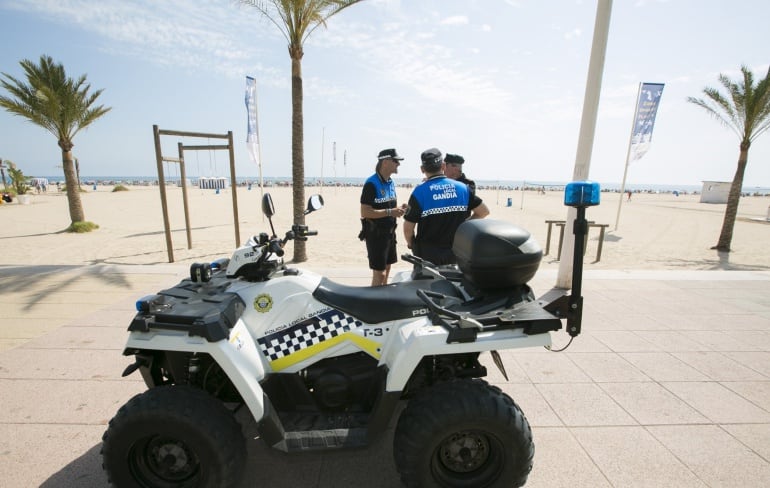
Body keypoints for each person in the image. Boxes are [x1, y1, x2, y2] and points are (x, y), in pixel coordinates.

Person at [403, 148, 488, 265]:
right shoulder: (462, 188)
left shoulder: (420, 191)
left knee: (426, 283)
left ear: (422, 169)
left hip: (428, 254)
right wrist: (462, 226)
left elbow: (408, 228)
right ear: (443, 166)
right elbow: (483, 212)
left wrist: (411, 245)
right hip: (456, 250)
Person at [360, 148, 407, 286]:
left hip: (390, 233)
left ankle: (383, 300)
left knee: (387, 268)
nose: (399, 164)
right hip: (376, 234)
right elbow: (365, 212)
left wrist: (400, 209)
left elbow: (390, 208)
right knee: (379, 274)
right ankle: (373, 305)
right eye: (396, 161)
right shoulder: (371, 183)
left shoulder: (391, 182)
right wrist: (390, 212)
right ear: (385, 162)